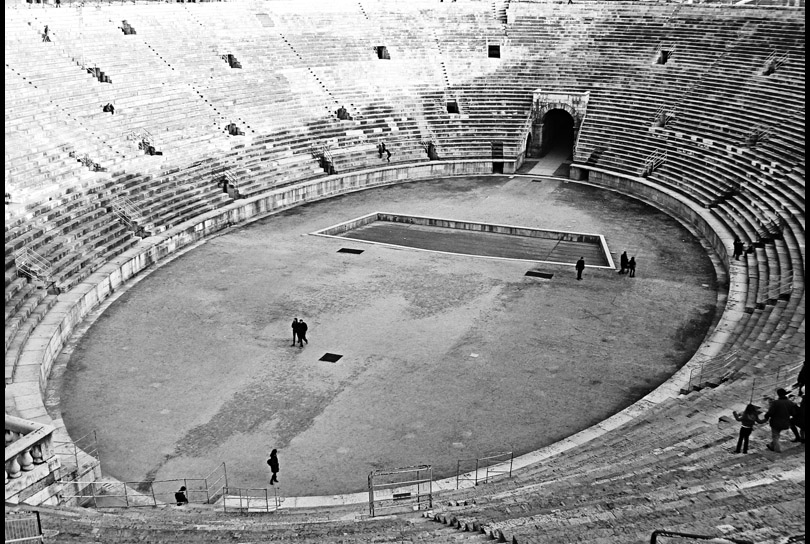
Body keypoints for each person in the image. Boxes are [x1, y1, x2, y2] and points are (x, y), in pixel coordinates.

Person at [762, 388, 797, 453]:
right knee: (777, 435)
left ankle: (777, 450)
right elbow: (793, 413)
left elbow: (770, 412)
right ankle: (771, 445)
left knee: (775, 436)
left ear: (778, 394)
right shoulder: (790, 403)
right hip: (786, 422)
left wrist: (766, 416)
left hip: (775, 422)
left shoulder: (775, 403)